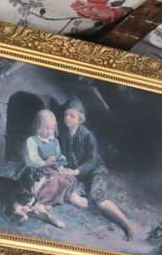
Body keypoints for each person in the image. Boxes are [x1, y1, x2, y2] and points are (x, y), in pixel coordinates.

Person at [59, 96, 137, 240]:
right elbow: (63, 155)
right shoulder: (63, 135)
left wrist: (76, 171)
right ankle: (99, 208)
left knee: (97, 198)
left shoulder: (88, 136)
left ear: (80, 119)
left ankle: (127, 224)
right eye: (66, 115)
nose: (67, 118)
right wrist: (62, 164)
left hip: (95, 171)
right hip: (78, 174)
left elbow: (92, 160)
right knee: (71, 196)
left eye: (72, 116)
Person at [16, 109, 80, 228]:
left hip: (51, 168)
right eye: (45, 128)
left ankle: (52, 200)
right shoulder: (32, 141)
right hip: (35, 170)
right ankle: (41, 202)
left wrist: (60, 159)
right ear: (37, 127)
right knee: (52, 180)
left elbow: (57, 155)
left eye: (51, 129)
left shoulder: (54, 141)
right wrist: (45, 162)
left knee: (68, 179)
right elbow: (31, 160)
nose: (48, 131)